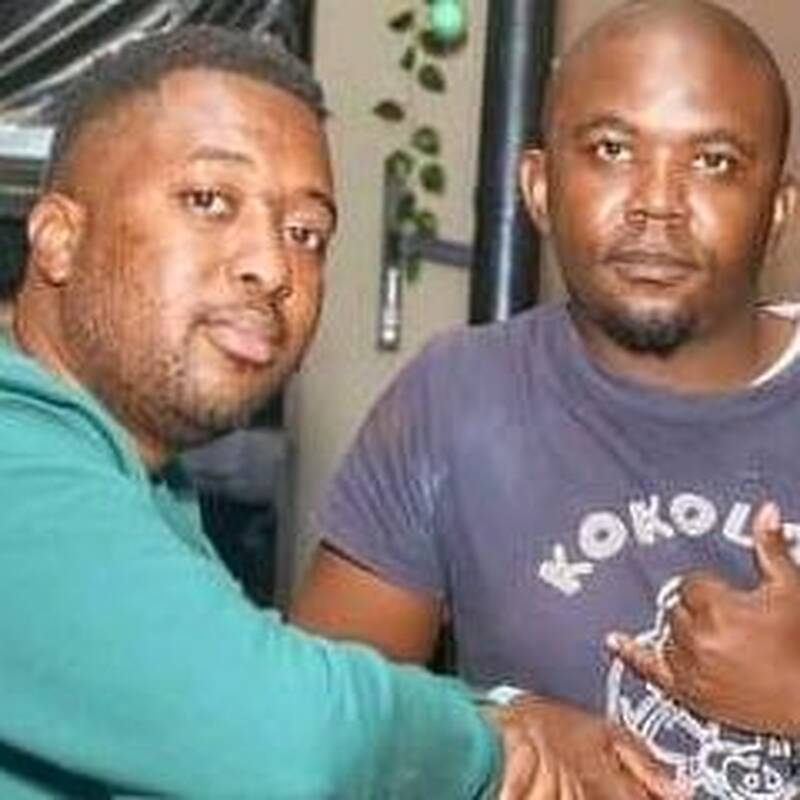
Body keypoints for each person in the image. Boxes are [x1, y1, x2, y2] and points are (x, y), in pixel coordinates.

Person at [0, 22, 679, 800]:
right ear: (58, 239)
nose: (273, 266)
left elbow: (236, 691)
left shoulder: (142, 487)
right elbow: (285, 739)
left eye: (306, 233)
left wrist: (500, 714)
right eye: (209, 200)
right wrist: (494, 746)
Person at [292, 1, 800, 797]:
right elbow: (312, 729)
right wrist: (493, 722)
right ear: (538, 187)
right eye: (612, 149)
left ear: (776, 210)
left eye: (713, 161)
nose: (658, 201)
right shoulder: (457, 400)